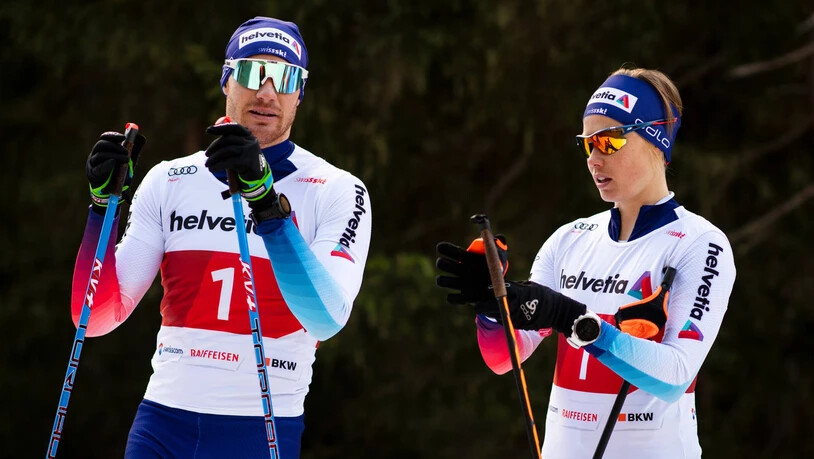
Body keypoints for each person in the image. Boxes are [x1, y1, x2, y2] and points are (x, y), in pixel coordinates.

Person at [74, 16, 371, 458]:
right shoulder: (169, 179)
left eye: (285, 78)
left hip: (259, 427)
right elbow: (93, 319)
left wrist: (267, 204)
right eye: (252, 72)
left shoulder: (336, 189)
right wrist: (103, 209)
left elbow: (326, 318)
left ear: (300, 95)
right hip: (163, 423)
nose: (267, 92)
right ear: (227, 81)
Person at [436, 67, 735, 458]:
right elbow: (504, 358)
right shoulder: (569, 240)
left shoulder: (699, 244)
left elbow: (675, 376)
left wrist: (573, 319)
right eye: (586, 144)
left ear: (656, 139)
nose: (594, 159)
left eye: (608, 142)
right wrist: (493, 305)